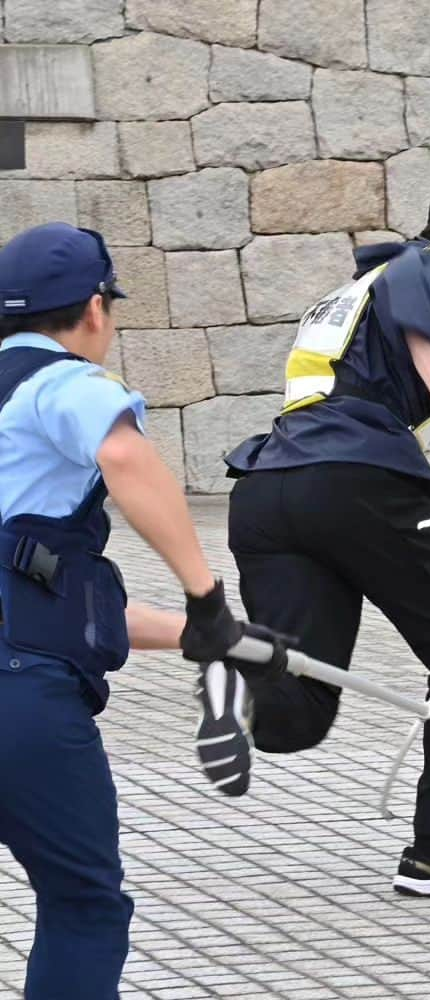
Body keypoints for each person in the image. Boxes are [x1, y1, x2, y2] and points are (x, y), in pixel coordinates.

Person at [0, 223, 284, 999]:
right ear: (95, 309)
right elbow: (124, 455)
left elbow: (49, 604)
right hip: (17, 699)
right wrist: (208, 595)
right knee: (85, 904)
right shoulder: (59, 384)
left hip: (18, 660)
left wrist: (210, 639)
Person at [223, 177, 430, 895]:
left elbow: (348, 402)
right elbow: (423, 332)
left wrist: (422, 523)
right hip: (352, 482)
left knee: (299, 708)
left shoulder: (354, 289)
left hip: (270, 490)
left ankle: (243, 668)